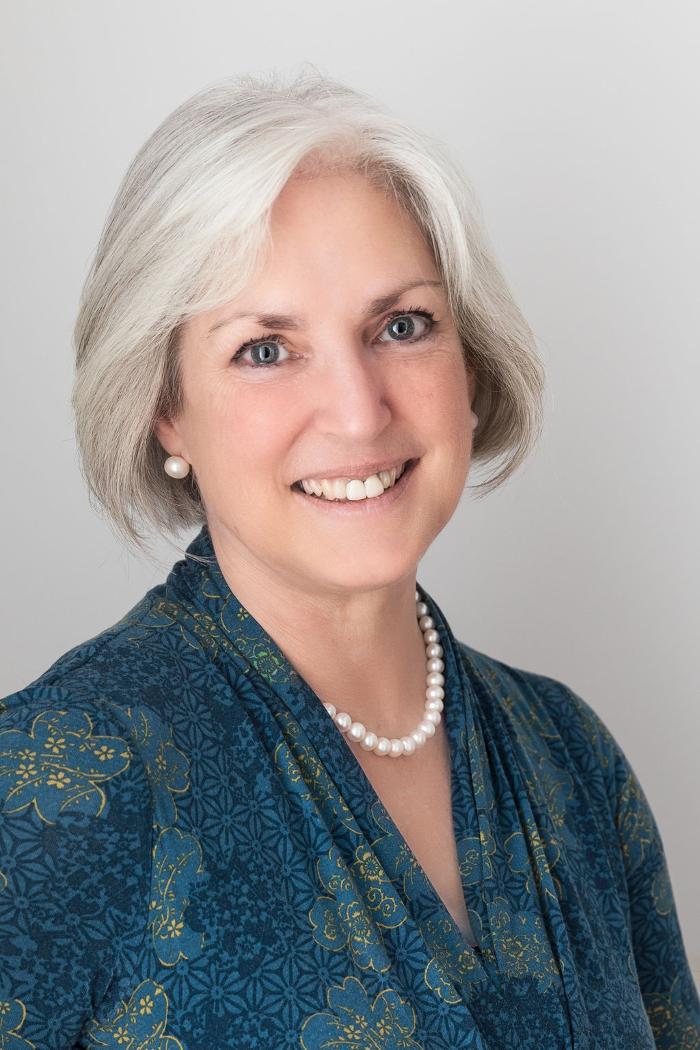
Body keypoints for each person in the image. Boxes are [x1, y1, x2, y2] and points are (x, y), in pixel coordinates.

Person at [0, 68, 697, 1050]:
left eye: (400, 327)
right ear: (166, 409)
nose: (360, 410)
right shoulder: (58, 783)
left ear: (469, 365)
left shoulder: (569, 757)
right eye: (265, 348)